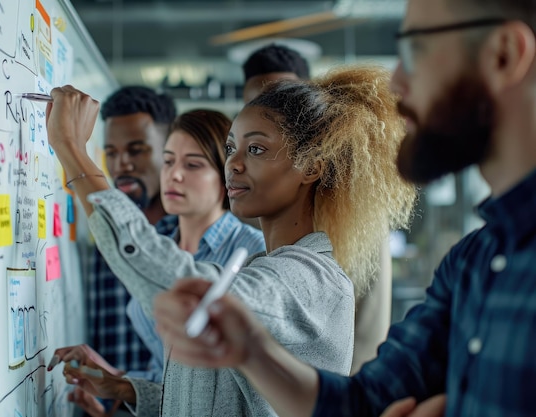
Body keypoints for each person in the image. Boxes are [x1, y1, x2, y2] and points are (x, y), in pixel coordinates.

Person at [153, 0, 536, 416]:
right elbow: (364, 402)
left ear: (504, 54)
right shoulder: (470, 264)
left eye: (415, 50)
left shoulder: (312, 272)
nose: (397, 81)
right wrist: (250, 350)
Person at [44, 63, 415, 416]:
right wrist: (127, 390)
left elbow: (186, 293)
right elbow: (228, 402)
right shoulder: (264, 267)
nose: (233, 164)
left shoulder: (313, 279)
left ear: (311, 166)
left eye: (255, 149)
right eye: (231, 148)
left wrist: (73, 152)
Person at [67, 109, 266, 416]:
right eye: (169, 160)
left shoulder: (253, 252)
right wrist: (114, 382)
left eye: (193, 165)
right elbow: (170, 373)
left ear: (226, 174)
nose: (174, 174)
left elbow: (233, 386)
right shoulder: (162, 243)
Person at [243, 42, 395, 374]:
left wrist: (346, 401)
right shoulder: (235, 198)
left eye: (284, 100)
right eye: (257, 104)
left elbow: (369, 324)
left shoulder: (351, 204)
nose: (271, 113)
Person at [79, 86, 177, 414]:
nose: (122, 165)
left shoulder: (186, 242)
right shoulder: (100, 233)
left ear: (169, 151)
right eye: (111, 151)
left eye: (136, 150)